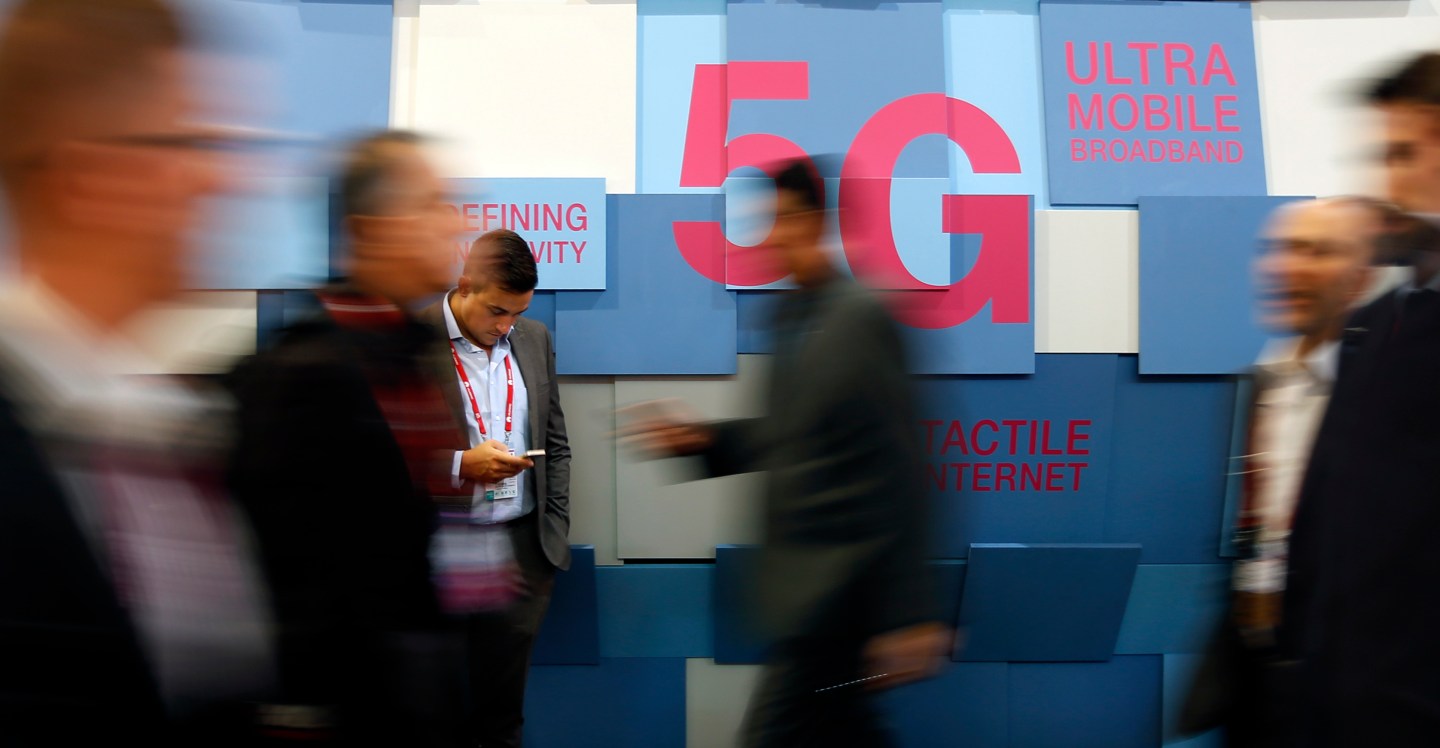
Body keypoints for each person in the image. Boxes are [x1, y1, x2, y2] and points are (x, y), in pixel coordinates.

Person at [0, 1, 274, 744]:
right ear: (87, 174)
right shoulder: (34, 441)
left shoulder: (168, 435)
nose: (222, 183)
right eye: (189, 142)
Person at [623, 159, 949, 748]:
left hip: (843, 594)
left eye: (783, 220)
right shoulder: (791, 317)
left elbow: (900, 471)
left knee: (783, 733)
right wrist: (706, 440)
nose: (771, 236)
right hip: (806, 602)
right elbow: (790, 434)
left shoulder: (861, 319)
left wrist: (909, 612)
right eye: (766, 221)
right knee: (843, 730)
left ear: (816, 222)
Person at [227, 130, 476, 746]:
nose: (457, 222)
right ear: (371, 229)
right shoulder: (301, 373)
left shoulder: (409, 355)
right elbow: (287, 575)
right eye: (434, 203)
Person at [1279, 53, 1440, 746]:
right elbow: (1328, 527)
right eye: (1385, 155)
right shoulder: (1373, 327)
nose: (1392, 183)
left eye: (1406, 154)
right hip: (1341, 706)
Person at [1181, 198, 1384, 747]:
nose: (1287, 266)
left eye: (1317, 251)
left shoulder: (1390, 397)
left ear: (1359, 278)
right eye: (1281, 249)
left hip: (1351, 693)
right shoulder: (1261, 383)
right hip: (1259, 685)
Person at [418, 228, 572, 748]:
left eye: (517, 314)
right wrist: (462, 464)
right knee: (426, 707)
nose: (505, 326)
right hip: (438, 548)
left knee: (502, 717)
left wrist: (552, 527)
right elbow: (379, 459)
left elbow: (557, 442)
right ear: (465, 284)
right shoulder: (412, 341)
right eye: (496, 311)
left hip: (520, 549)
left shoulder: (534, 338)